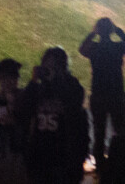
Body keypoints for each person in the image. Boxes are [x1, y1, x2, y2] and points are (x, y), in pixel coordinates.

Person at [14, 46, 87, 184]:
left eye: (54, 65)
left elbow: (75, 105)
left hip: (64, 158)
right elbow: (23, 110)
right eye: (46, 65)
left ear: (62, 67)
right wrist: (33, 81)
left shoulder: (72, 85)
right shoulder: (39, 88)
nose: (48, 69)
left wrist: (57, 80)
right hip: (39, 158)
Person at [78, 17, 125, 175]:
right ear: (110, 30)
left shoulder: (94, 48)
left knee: (99, 132)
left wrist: (91, 34)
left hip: (99, 94)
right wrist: (118, 31)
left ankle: (101, 168)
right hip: (116, 93)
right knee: (121, 130)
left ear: (98, 31)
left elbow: (82, 49)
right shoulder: (117, 47)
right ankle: (123, 163)